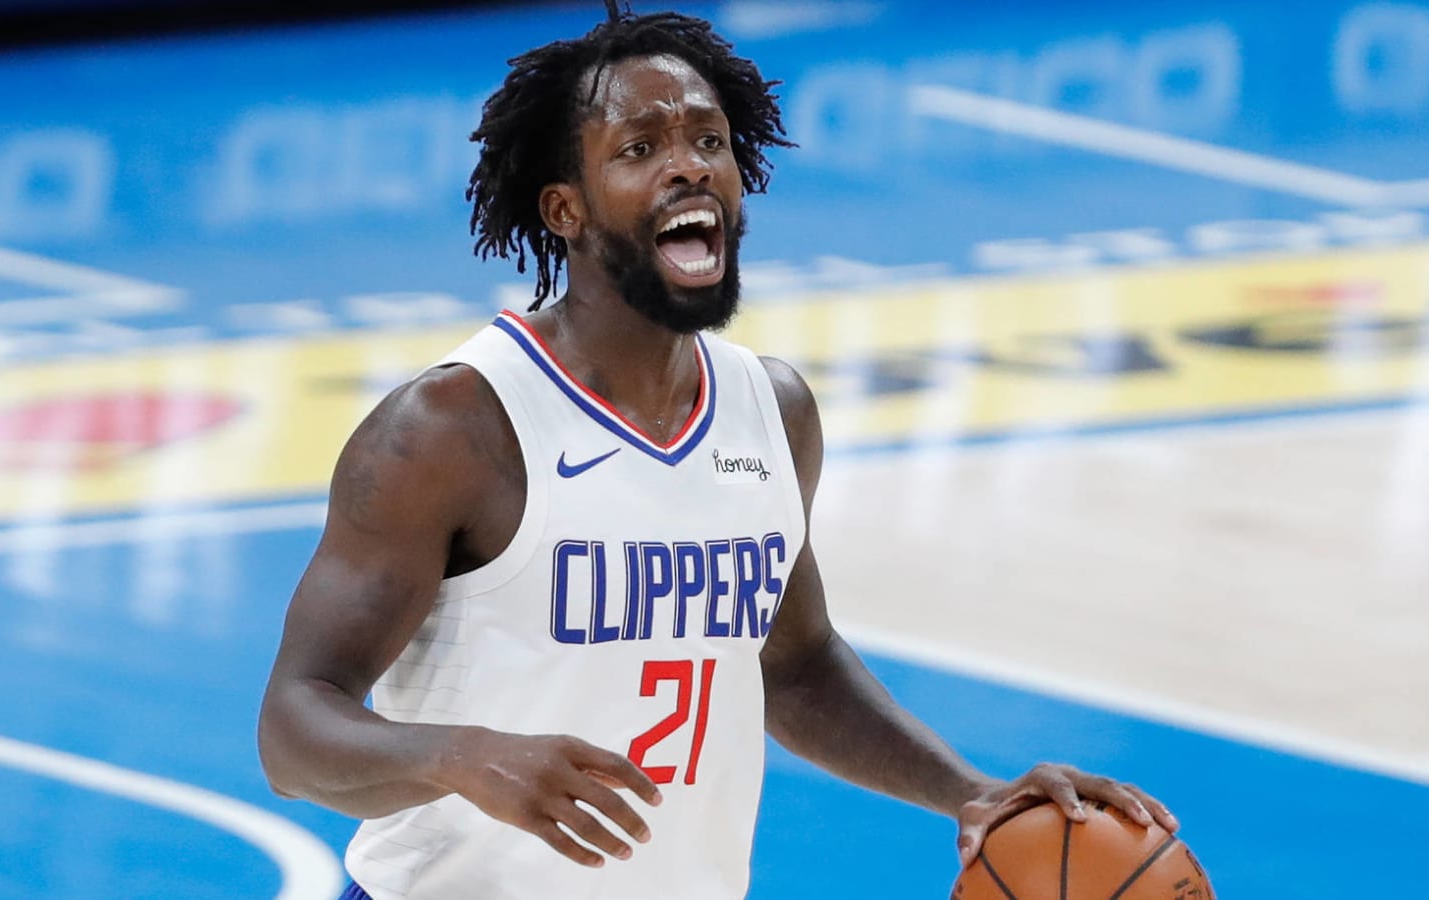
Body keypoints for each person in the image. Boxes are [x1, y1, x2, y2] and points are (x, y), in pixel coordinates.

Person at [257, 6, 1179, 899]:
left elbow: (795, 663)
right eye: (639, 149)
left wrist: (968, 791)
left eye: (709, 141)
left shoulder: (770, 410)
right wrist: (462, 758)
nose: (689, 168)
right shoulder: (454, 428)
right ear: (564, 210)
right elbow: (293, 730)